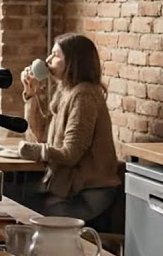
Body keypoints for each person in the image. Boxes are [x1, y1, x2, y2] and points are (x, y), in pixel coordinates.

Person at [18, 33, 122, 227]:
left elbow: (70, 154)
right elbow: (39, 135)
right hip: (69, 188)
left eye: (55, 55)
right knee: (12, 198)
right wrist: (32, 94)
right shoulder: (67, 90)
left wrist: (33, 151)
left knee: (18, 209)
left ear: (73, 61)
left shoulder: (83, 96)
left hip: (88, 194)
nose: (48, 60)